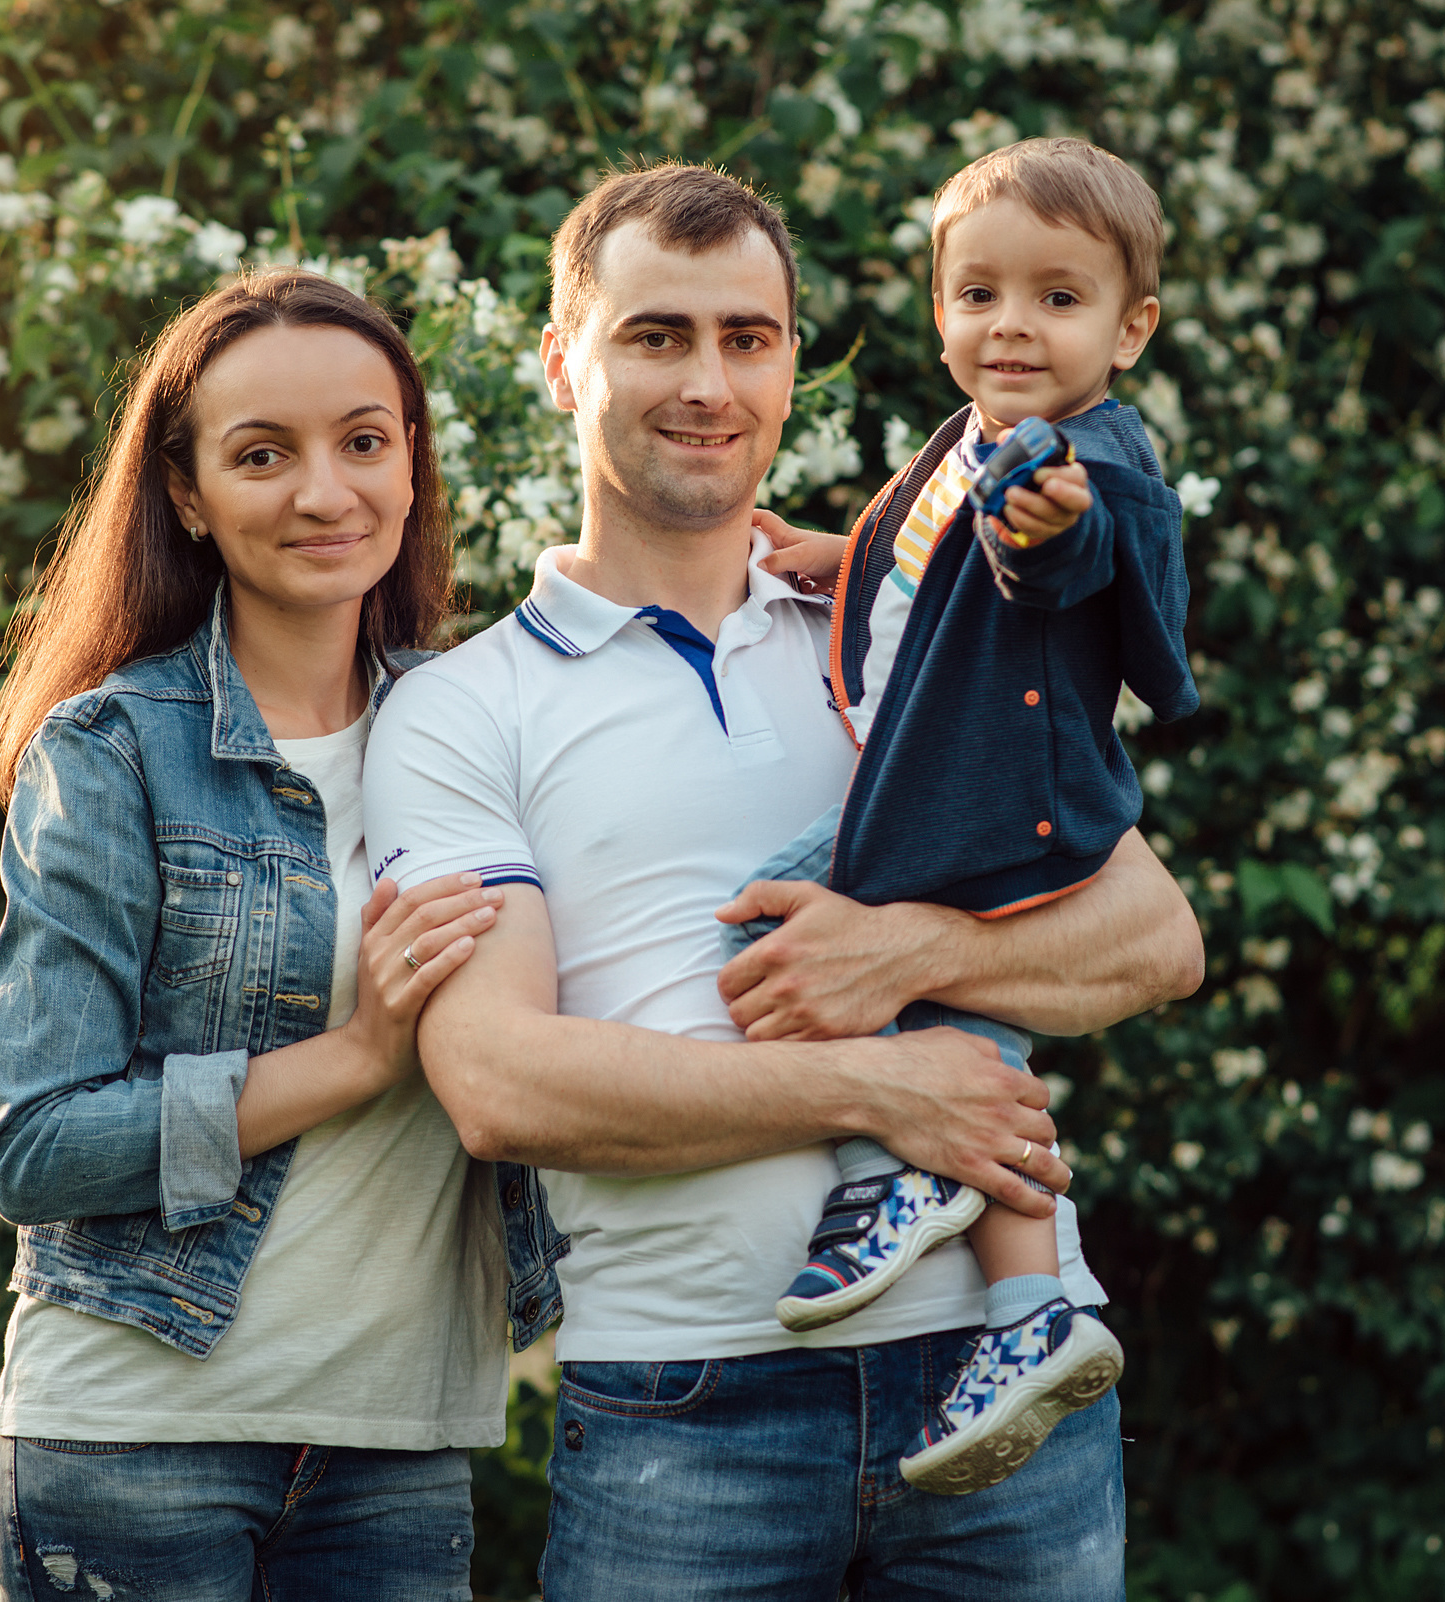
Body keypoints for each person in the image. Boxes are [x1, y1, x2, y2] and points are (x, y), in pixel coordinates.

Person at [363, 164, 1204, 1599]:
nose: (707, 381)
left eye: (747, 338)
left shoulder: (898, 628)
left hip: (1016, 1387)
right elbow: (506, 1085)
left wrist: (900, 955)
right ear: (565, 361)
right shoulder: (461, 706)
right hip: (693, 1419)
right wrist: (875, 1086)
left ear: (792, 366)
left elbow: (1153, 937)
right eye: (657, 335)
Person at [0, 269, 564, 1602]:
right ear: (186, 493)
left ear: (412, 461)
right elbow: (38, 1142)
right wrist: (356, 1054)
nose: (324, 490)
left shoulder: (487, 732)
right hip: (137, 1439)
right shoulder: (115, 750)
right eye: (261, 454)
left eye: (364, 439)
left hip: (397, 1448)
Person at [731, 136, 1197, 1496]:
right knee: (785, 918)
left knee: (913, 998)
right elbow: (927, 558)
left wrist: (1049, 525)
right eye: (980, 293)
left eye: (1058, 298)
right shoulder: (965, 442)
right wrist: (837, 553)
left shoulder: (1075, 462)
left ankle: (917, 1177)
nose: (1012, 325)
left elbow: (1051, 549)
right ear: (940, 311)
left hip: (990, 801)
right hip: (939, 775)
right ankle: (1030, 1312)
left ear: (1131, 329)